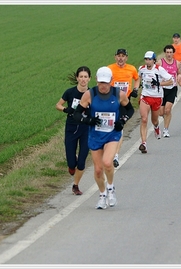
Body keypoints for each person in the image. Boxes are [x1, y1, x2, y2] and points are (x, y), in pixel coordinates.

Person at [73, 66, 134, 209]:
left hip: (112, 134)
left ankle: (111, 188)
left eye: (106, 83)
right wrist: (88, 121)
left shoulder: (119, 94)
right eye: (100, 82)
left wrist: (122, 121)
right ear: (96, 80)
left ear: (111, 81)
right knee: (98, 169)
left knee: (107, 162)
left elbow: (130, 109)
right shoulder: (90, 94)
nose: (103, 86)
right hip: (95, 135)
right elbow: (77, 114)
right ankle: (102, 195)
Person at [55, 66, 91, 195]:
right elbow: (58, 105)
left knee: (81, 162)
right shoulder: (70, 92)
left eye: (85, 77)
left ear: (89, 79)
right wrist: (65, 109)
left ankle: (75, 185)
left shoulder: (93, 93)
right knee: (71, 163)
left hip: (86, 128)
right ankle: (72, 164)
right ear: (77, 78)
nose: (83, 79)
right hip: (71, 127)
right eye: (81, 77)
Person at [107, 48, 140, 168]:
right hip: (110, 101)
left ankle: (115, 155)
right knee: (109, 126)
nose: (121, 58)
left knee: (119, 127)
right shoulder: (109, 69)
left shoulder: (131, 68)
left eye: (123, 56)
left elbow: (137, 79)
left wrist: (135, 89)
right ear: (115, 57)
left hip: (124, 102)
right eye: (118, 56)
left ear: (126, 58)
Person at [137, 51, 173, 153]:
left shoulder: (159, 69)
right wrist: (138, 86)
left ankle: (156, 127)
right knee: (144, 119)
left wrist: (159, 83)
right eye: (146, 59)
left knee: (154, 120)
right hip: (145, 96)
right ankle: (144, 143)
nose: (148, 61)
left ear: (154, 60)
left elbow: (171, 81)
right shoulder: (141, 69)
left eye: (150, 59)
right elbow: (138, 78)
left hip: (157, 97)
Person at [157, 45, 181, 138]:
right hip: (162, 89)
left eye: (170, 52)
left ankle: (166, 129)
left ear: (173, 53)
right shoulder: (160, 63)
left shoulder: (177, 63)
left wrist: (180, 76)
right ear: (165, 53)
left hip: (172, 88)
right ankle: (165, 118)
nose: (169, 54)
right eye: (167, 52)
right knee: (161, 112)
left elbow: (179, 72)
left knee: (168, 110)